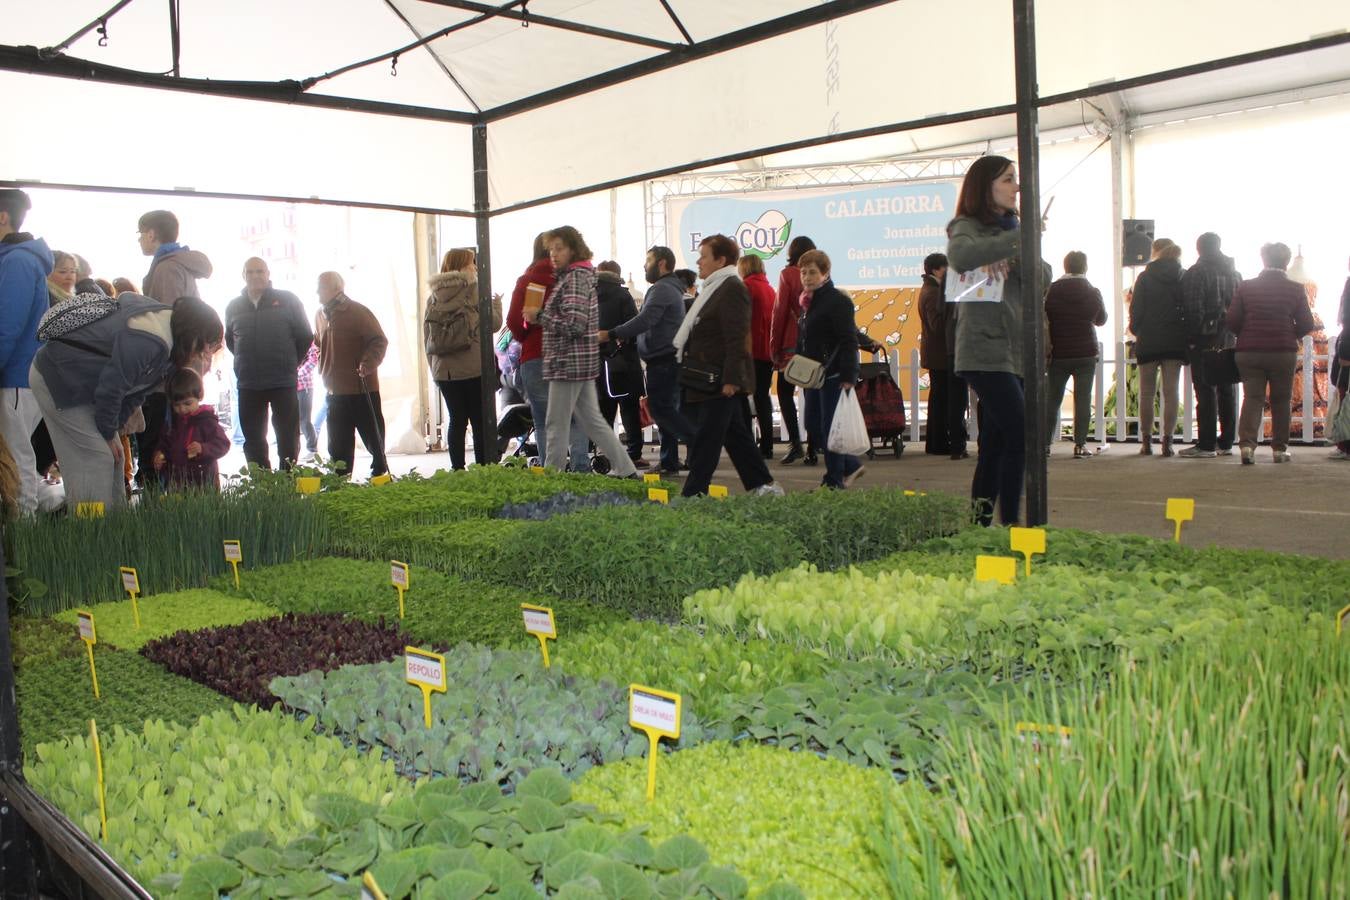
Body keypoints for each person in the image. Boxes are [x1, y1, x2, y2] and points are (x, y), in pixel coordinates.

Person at [30, 295, 222, 510]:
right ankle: (90, 530)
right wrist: (107, 433)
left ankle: (113, 525)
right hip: (59, 379)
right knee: (96, 458)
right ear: (193, 333)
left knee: (115, 456)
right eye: (208, 344)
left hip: (85, 386)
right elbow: (112, 388)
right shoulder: (150, 339)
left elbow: (136, 392)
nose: (206, 353)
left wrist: (113, 431)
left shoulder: (169, 346)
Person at [946, 155, 1047, 526]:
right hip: (983, 349)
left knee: (996, 442)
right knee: (1021, 432)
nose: (1016, 187)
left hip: (1014, 349)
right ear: (984, 185)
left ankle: (980, 525)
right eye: (1008, 179)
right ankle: (1012, 526)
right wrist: (1017, 239)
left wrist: (1025, 248)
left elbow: (1043, 279)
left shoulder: (1014, 229)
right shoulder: (966, 226)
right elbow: (960, 256)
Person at [523, 226, 637, 478]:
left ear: (573, 249)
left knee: (556, 423)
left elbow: (574, 324)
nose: (553, 253)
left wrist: (539, 316)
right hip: (579, 361)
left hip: (568, 362)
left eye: (559, 248)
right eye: (551, 249)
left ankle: (551, 479)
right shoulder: (579, 276)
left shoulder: (574, 278)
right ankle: (627, 470)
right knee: (592, 422)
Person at [676, 234, 781, 498]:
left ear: (720, 260)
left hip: (720, 378)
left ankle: (693, 494)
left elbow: (737, 337)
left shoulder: (731, 288)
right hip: (714, 376)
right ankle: (764, 485)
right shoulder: (715, 287)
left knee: (708, 439)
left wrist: (731, 379)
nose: (698, 261)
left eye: (704, 256)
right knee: (736, 436)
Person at [601, 246, 695, 476]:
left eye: (648, 260)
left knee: (664, 411)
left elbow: (645, 319)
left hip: (663, 360)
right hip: (662, 360)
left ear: (661, 263)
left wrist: (612, 333)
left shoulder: (662, 289)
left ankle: (698, 443)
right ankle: (670, 460)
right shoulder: (668, 288)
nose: (645, 266)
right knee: (664, 411)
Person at [135, 210, 213, 487]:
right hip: (181, 367)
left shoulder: (167, 268)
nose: (139, 240)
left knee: (162, 446)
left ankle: (158, 509)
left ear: (151, 233)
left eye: (140, 233)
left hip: (170, 372)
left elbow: (167, 326)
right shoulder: (173, 264)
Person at [1228, 242, 1315, 465]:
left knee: (1252, 398)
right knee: (1281, 400)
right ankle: (1279, 449)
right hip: (1282, 351)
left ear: (1263, 259)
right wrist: (1289, 333)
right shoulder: (1295, 289)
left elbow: (1232, 320)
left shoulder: (1246, 287)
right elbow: (1307, 322)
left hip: (1249, 351)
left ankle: (1247, 446)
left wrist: (1246, 333)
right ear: (1286, 262)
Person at [506, 234, 587, 470]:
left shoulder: (528, 280)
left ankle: (553, 474)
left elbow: (513, 321)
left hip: (535, 356)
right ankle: (582, 471)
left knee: (543, 420)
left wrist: (526, 337)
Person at [224, 257, 312, 470]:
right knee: (252, 436)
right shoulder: (233, 306)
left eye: (260, 271)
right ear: (243, 275)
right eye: (250, 272)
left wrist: (291, 362)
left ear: (268, 274)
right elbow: (230, 341)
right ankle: (262, 482)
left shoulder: (288, 300)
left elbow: (305, 336)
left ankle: (287, 478)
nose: (255, 276)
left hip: (282, 380)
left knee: (287, 434)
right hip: (248, 382)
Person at [0, 189, 55, 515]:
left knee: (16, 456)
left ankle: (25, 537)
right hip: (14, 375)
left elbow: (8, 324)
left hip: (16, 377)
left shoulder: (19, 261)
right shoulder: (13, 258)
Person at [425, 248, 503, 470]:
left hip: (445, 371)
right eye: (472, 263)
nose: (475, 267)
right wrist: (497, 304)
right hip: (474, 368)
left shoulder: (433, 296)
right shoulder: (475, 290)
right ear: (463, 266)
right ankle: (483, 468)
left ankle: (457, 469)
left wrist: (435, 369)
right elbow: (494, 324)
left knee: (456, 420)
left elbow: (427, 337)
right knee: (479, 421)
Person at [797, 249, 863, 490]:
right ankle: (851, 465)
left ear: (825, 273)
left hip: (833, 373)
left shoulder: (837, 301)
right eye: (803, 272)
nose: (807, 277)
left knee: (830, 428)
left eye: (813, 272)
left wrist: (849, 374)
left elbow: (849, 339)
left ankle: (834, 480)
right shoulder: (807, 301)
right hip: (813, 374)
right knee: (813, 424)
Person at [316, 272, 389, 478]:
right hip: (334, 391)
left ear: (335, 288)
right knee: (338, 443)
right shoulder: (320, 315)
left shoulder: (358, 312)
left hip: (361, 387)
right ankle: (340, 480)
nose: (317, 292)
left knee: (373, 437)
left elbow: (379, 341)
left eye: (320, 287)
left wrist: (368, 363)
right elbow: (319, 344)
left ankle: (379, 475)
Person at [1178, 232, 1241, 458]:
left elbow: (1194, 310)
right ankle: (1226, 442)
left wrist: (1192, 338)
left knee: (1205, 390)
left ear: (1199, 249)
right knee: (1227, 389)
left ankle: (1206, 444)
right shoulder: (1235, 273)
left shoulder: (1196, 273)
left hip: (1205, 338)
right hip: (1229, 337)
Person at [1044, 251, 1107, 458]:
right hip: (1085, 352)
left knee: (1052, 399)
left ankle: (1044, 445)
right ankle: (1080, 445)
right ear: (1085, 267)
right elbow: (1101, 320)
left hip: (1059, 352)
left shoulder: (1052, 291)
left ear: (1065, 266)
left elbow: (1047, 315)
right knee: (1083, 399)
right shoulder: (1093, 292)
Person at [1128, 239, 1187, 456]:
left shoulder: (1144, 277)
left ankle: (1146, 442)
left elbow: (1136, 311)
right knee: (1171, 393)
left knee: (1146, 393)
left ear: (1155, 253)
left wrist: (1137, 330)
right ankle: (1168, 442)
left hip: (1149, 341)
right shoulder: (1183, 276)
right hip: (1174, 341)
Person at [594, 260, 647, 468]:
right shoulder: (622, 295)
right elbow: (633, 327)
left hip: (598, 362)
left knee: (603, 412)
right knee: (629, 410)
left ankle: (604, 454)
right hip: (623, 361)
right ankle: (634, 454)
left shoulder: (589, 295)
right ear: (617, 274)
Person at [770, 236, 815, 465]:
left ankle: (795, 444)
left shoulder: (788, 275)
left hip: (790, 343)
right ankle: (814, 447)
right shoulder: (819, 274)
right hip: (813, 343)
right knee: (811, 393)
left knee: (785, 393)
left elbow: (779, 312)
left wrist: (774, 346)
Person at [152, 367, 229, 491]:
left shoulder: (207, 421)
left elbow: (223, 444)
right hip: (177, 483)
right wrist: (159, 454)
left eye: (187, 403)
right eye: (177, 405)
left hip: (204, 484)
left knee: (204, 510)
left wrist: (203, 449)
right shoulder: (172, 424)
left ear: (200, 396)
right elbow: (164, 444)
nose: (182, 409)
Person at [739, 254, 777, 458]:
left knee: (743, 398)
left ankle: (748, 444)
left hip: (750, 351)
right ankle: (767, 445)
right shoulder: (770, 289)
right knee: (763, 398)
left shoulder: (745, 288)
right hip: (767, 351)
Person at [917, 252, 952, 455]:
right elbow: (937, 325)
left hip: (937, 354)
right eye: (946, 268)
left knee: (939, 399)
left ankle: (936, 442)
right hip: (939, 355)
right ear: (936, 270)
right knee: (940, 400)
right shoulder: (932, 293)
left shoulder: (932, 290)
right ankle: (938, 443)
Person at [296, 340, 320, 462]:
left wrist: (298, 374)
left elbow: (313, 360)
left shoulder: (309, 343)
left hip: (304, 387)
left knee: (304, 420)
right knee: (296, 420)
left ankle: (312, 449)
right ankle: (296, 450)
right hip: (292, 387)